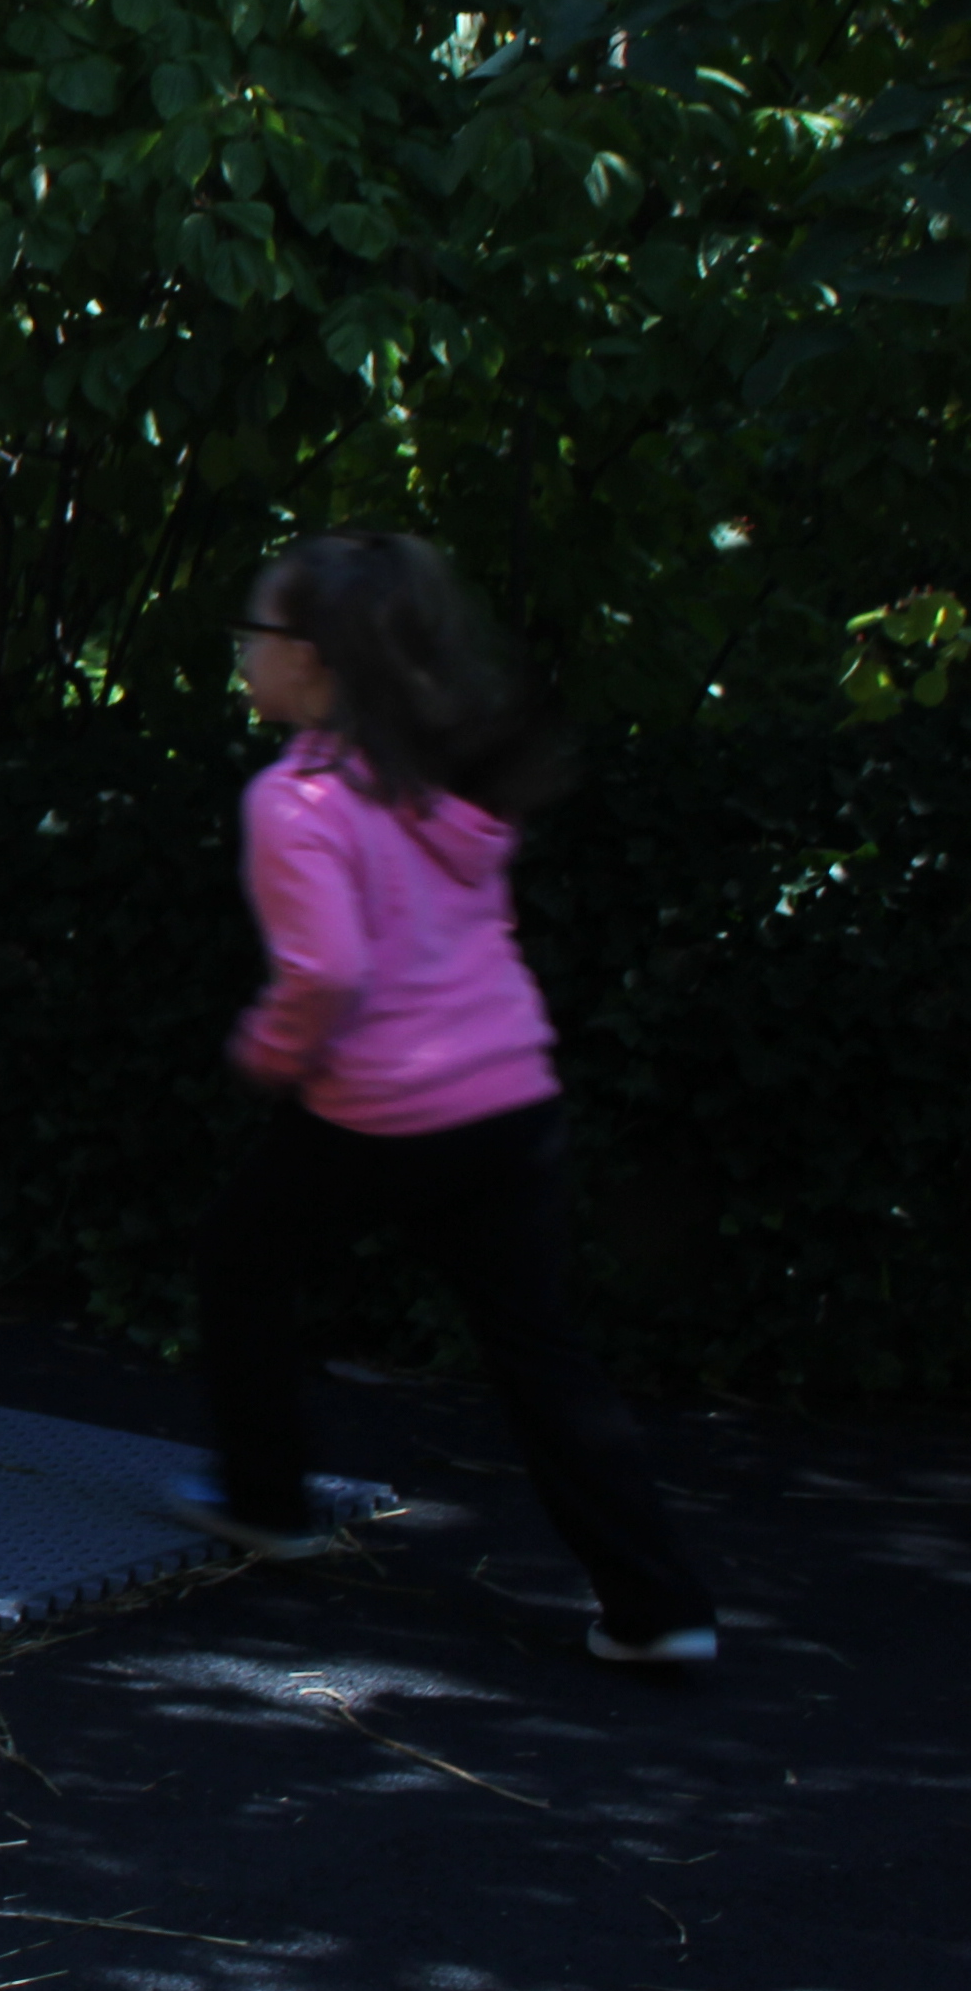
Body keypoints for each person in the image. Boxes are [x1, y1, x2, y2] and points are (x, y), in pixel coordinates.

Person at [184, 529, 716, 1667]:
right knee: (539, 1351)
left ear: (315, 659)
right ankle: (660, 1608)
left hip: (380, 1109)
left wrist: (270, 1053)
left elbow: (326, 971)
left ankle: (267, 1503)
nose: (244, 656)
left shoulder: (300, 799)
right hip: (511, 1097)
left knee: (240, 1260)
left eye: (258, 635)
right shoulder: (434, 780)